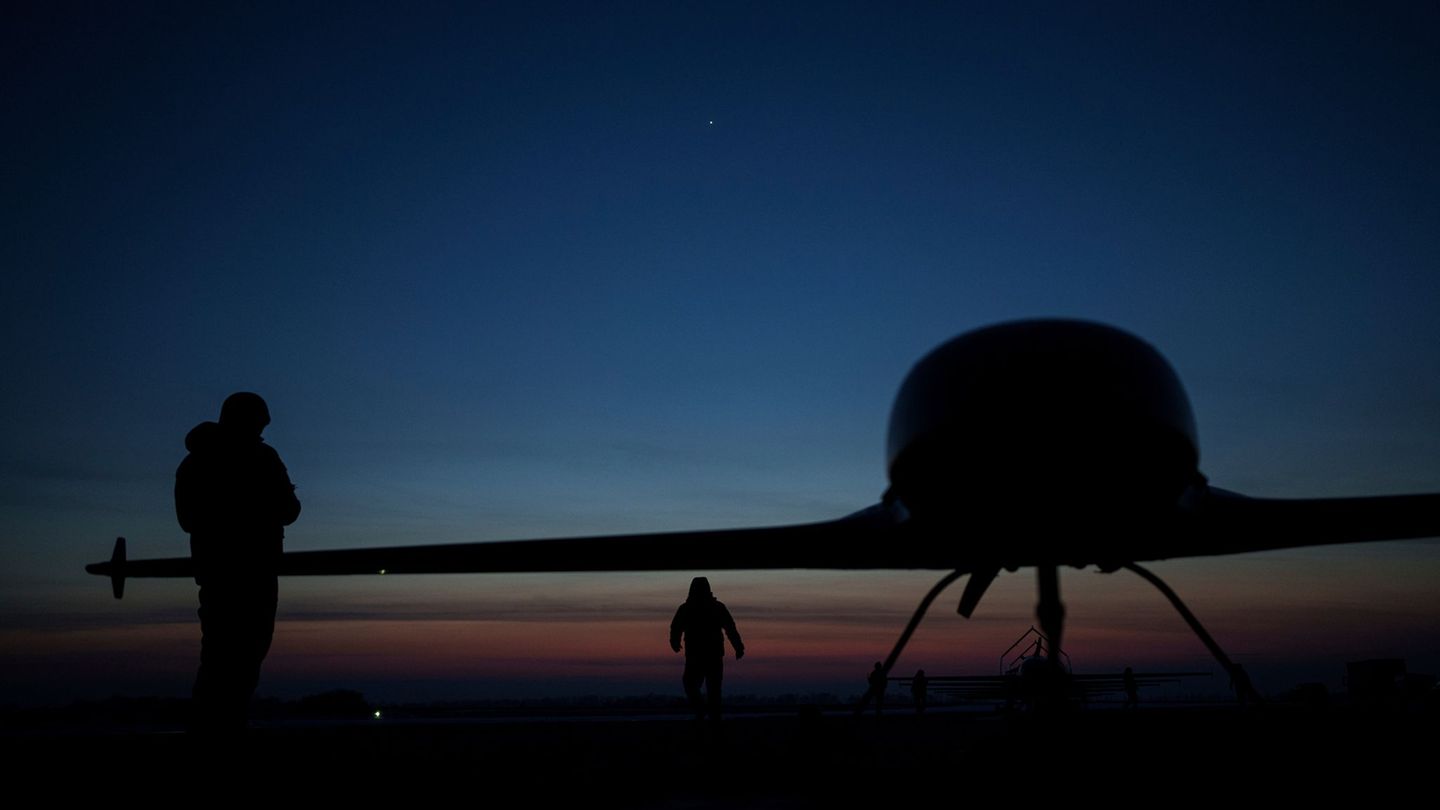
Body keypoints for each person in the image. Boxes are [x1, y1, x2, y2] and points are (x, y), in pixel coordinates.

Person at [176, 392, 301, 733]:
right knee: (244, 655)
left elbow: (187, 519)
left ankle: (212, 727)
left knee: (218, 656)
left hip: (214, 573)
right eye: (260, 422)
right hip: (255, 572)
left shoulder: (194, 462)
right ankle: (224, 730)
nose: (264, 428)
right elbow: (290, 511)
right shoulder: (262, 458)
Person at [669, 576, 744, 723]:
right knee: (701, 686)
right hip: (703, 655)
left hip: (704, 655)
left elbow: (730, 628)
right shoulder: (708, 608)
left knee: (706, 687)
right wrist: (674, 641)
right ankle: (705, 712)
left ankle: (709, 715)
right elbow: (676, 627)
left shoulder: (689, 608)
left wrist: (738, 646)